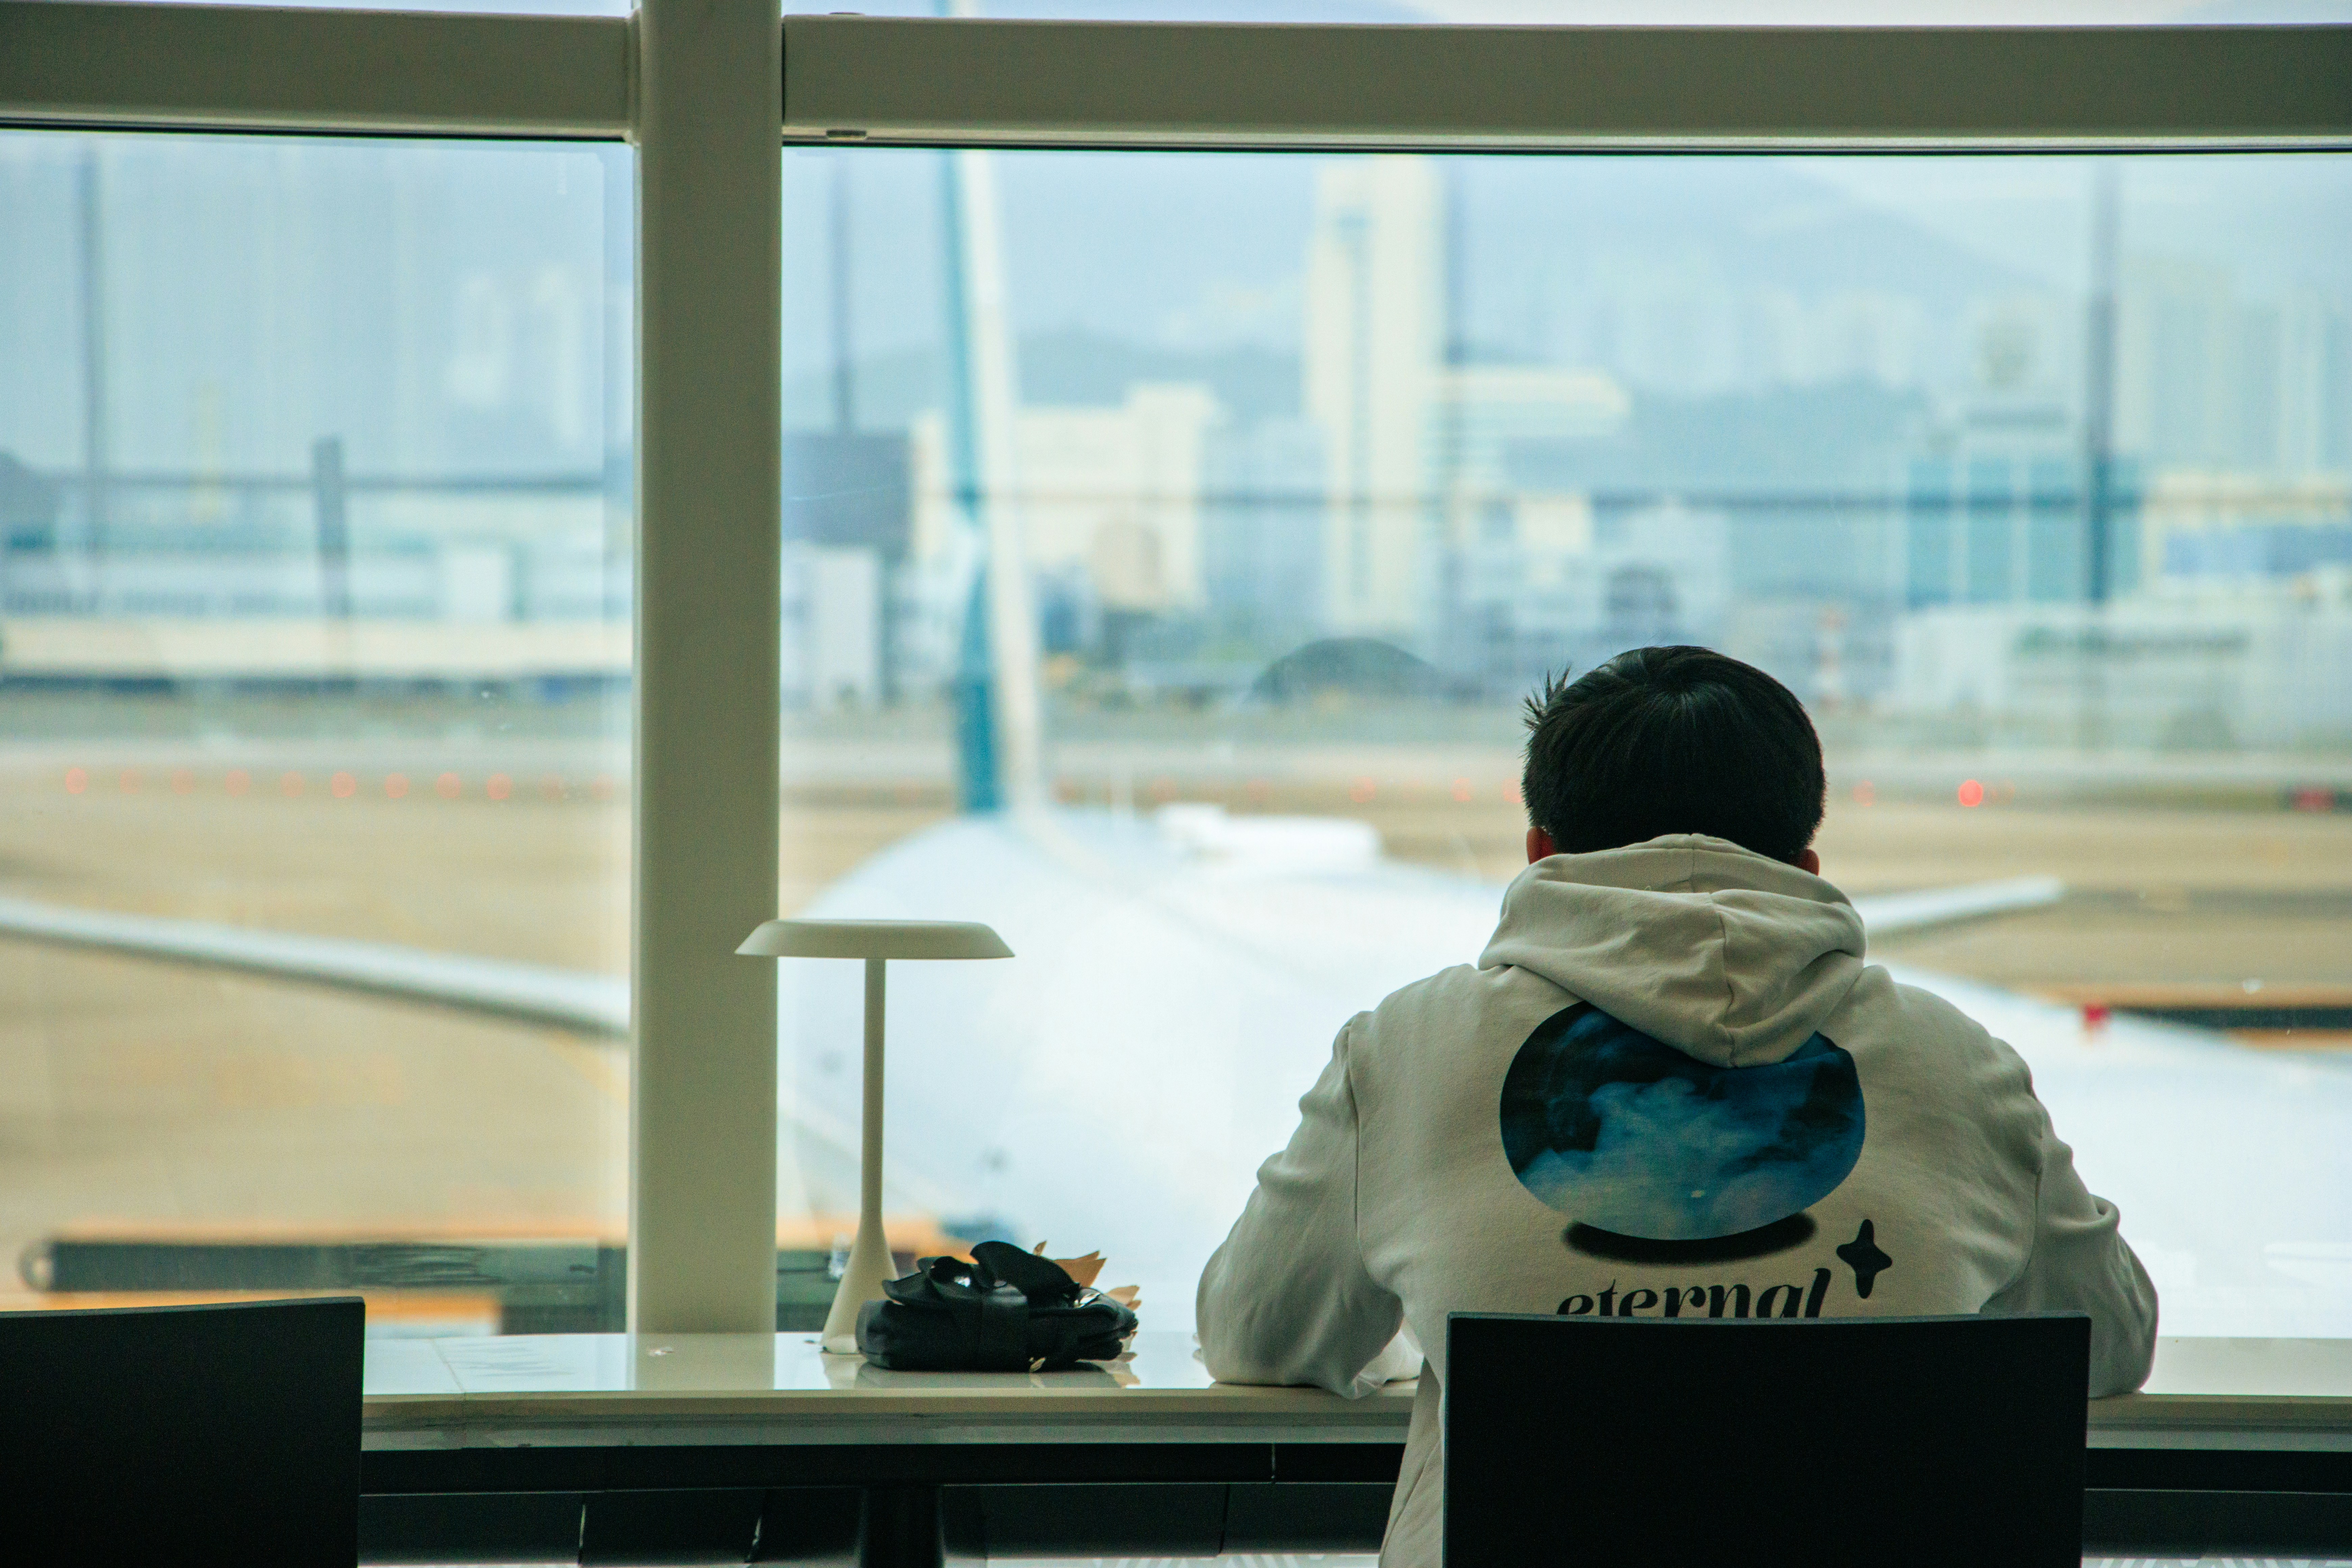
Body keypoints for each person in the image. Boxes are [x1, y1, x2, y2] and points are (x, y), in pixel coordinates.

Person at [1195, 645, 2157, 1568]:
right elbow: (2110, 1344)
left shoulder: (1405, 1050)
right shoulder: (1958, 1064)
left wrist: (1433, 1335)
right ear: (1807, 867)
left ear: (1538, 854)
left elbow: (1257, 1334)